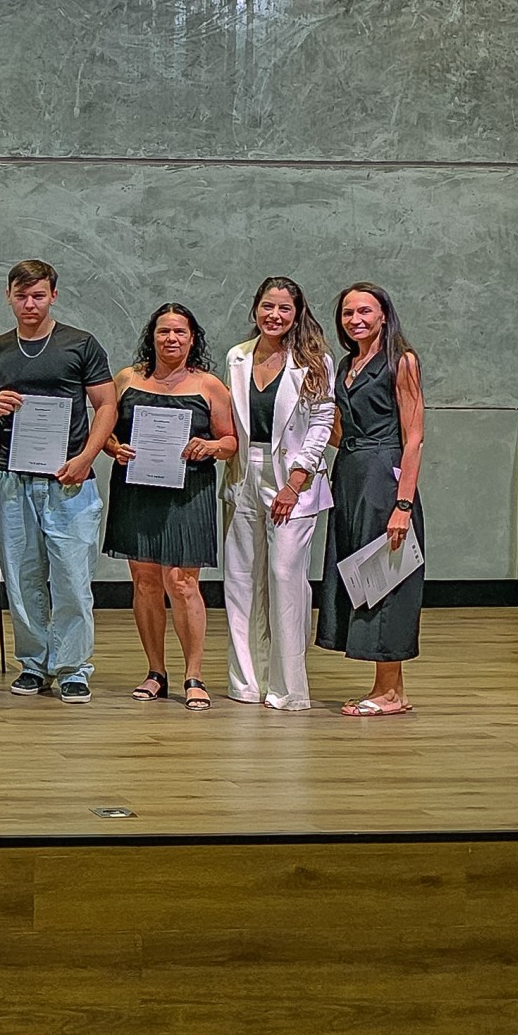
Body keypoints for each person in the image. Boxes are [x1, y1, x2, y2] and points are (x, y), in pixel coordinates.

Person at [0, 260, 117, 703]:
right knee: (22, 578)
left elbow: (106, 405)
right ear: (8, 297)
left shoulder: (80, 344)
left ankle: (73, 667)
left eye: (38, 295)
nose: (30, 304)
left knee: (72, 578)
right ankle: (34, 663)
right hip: (12, 477)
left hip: (69, 478)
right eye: (21, 296)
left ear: (53, 295)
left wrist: (86, 458)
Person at [103, 305, 237, 710]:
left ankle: (194, 674)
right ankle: (155, 672)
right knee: (145, 582)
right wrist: (114, 448)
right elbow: (105, 431)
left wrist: (209, 447)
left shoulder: (209, 385)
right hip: (137, 489)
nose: (171, 339)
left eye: (180, 332)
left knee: (182, 583)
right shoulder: (127, 379)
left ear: (192, 338)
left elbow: (230, 442)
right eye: (164, 331)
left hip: (188, 492)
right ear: (153, 336)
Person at [223, 277, 335, 711]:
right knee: (241, 580)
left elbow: (322, 424)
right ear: (255, 309)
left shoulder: (314, 360)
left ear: (297, 313)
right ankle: (245, 683)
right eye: (267, 306)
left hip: (293, 478)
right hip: (243, 475)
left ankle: (288, 688)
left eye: (284, 308)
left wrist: (295, 481)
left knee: (286, 578)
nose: (274, 315)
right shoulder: (237, 356)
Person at [318, 283, 426, 717]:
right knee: (364, 577)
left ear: (383, 315)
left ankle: (388, 693)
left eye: (365, 311)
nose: (355, 319)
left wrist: (403, 505)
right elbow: (342, 430)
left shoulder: (402, 361)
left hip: (384, 480)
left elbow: (414, 437)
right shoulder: (347, 365)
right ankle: (392, 690)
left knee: (387, 578)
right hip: (350, 476)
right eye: (348, 313)